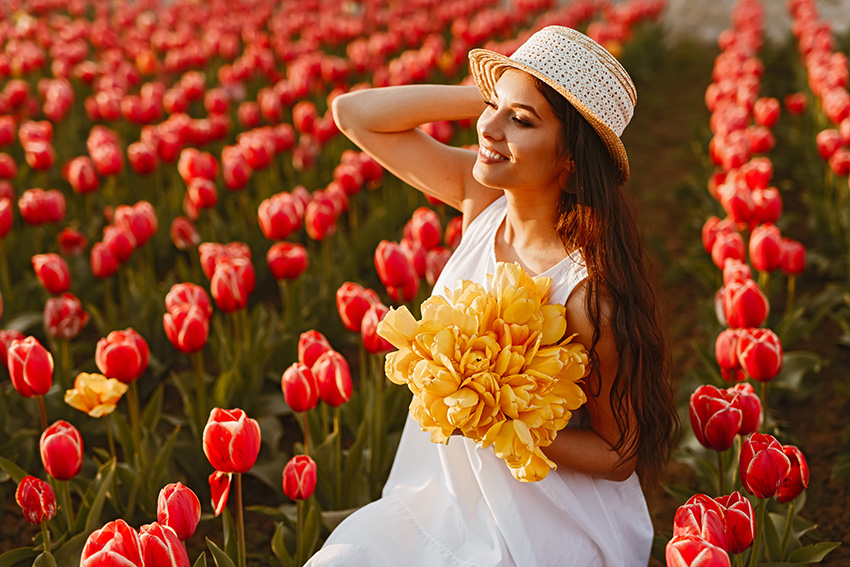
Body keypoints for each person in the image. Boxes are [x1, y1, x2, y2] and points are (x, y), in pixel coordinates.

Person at [307, 25, 678, 567]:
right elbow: (353, 113)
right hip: (442, 497)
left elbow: (619, 453)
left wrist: (500, 416)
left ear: (571, 162)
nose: (489, 128)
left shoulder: (587, 296)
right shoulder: (484, 199)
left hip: (542, 519)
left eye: (521, 121)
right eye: (493, 106)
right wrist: (497, 92)